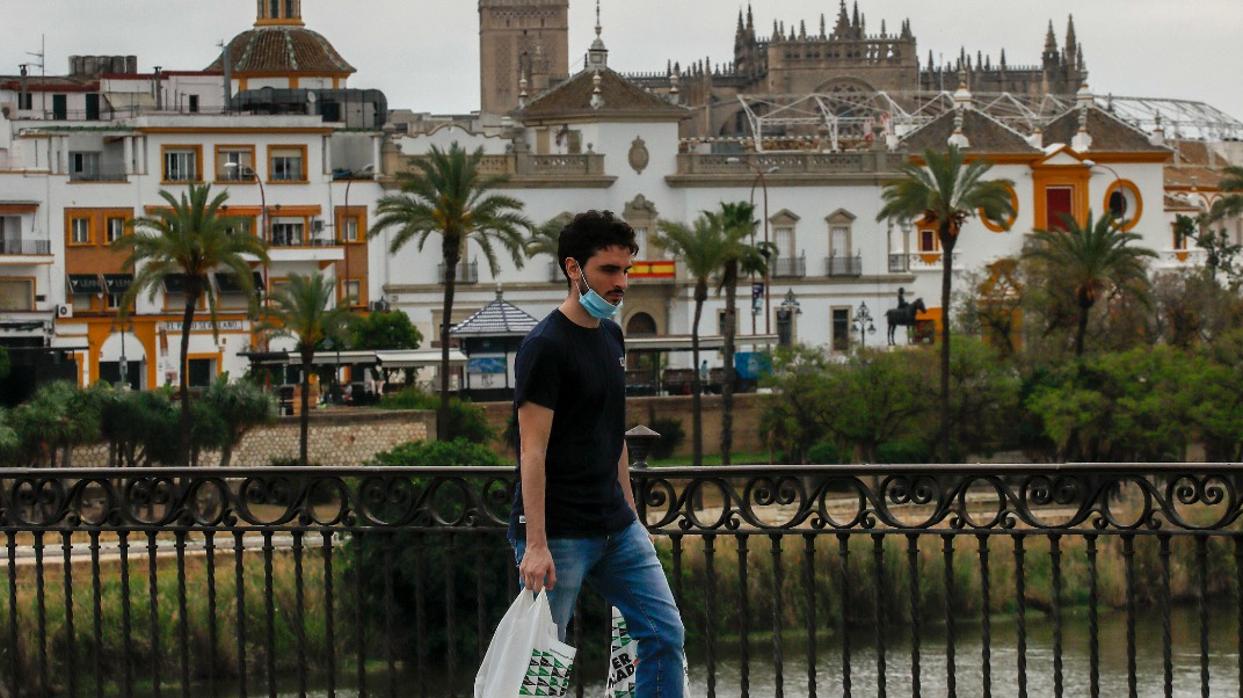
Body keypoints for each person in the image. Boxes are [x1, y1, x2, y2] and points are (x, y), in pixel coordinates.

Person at [509, 210, 686, 697]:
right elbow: (533, 450)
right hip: (561, 532)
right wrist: (538, 544)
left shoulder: (611, 335)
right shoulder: (545, 346)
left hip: (615, 526)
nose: (621, 282)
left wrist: (631, 513)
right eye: (609, 270)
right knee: (542, 666)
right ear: (573, 268)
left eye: (627, 270)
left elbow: (614, 435)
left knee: (664, 633)